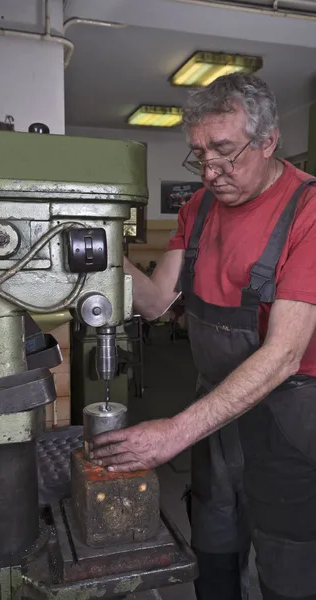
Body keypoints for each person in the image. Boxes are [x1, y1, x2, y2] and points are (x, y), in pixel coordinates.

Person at [91, 73, 316, 600]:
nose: (210, 171)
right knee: (213, 535)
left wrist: (173, 433)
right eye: (199, 154)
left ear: (268, 141)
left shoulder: (307, 211)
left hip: (290, 414)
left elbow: (283, 356)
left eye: (225, 152)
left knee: (289, 553)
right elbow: (156, 303)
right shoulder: (200, 208)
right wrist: (99, 243)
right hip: (215, 402)